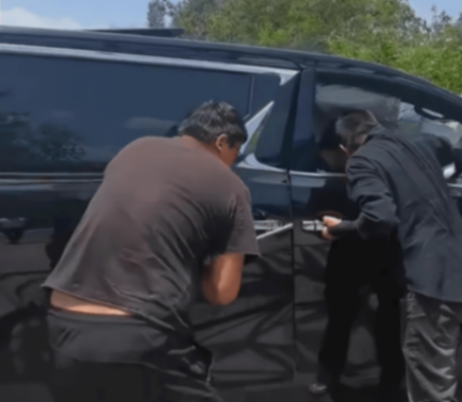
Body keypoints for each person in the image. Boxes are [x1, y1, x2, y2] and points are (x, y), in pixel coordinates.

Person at [42, 101, 260, 402]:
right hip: (138, 335)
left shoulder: (134, 150)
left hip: (63, 325)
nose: (233, 163)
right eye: (235, 152)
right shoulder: (231, 186)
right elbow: (221, 293)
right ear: (222, 142)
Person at [321, 109, 462, 402]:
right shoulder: (415, 143)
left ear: (345, 148)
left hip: (432, 279)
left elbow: (380, 219)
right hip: (454, 262)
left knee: (432, 385)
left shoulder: (361, 160)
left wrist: (341, 229)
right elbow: (446, 146)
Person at [310, 237, 404, 402]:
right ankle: (329, 375)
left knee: (387, 314)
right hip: (358, 243)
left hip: (378, 241)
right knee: (340, 314)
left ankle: (392, 379)